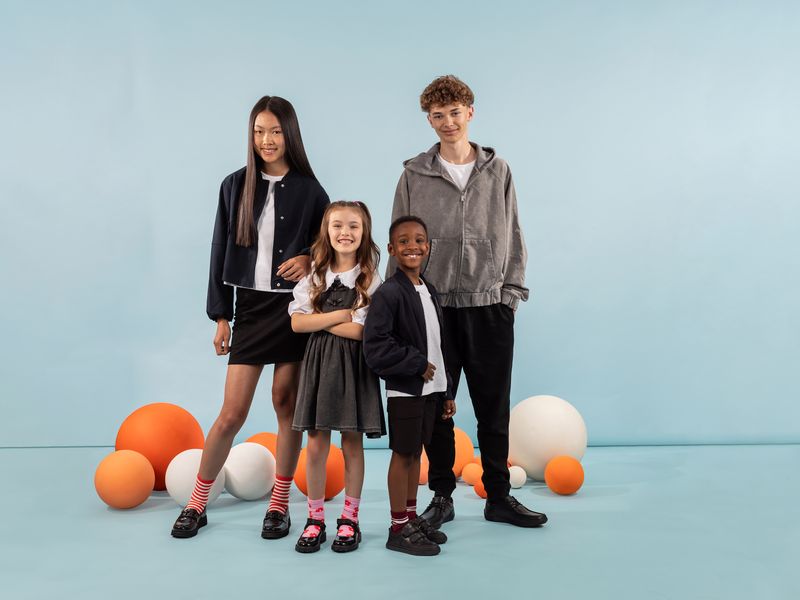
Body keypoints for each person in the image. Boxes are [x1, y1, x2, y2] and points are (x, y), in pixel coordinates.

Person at [388, 75, 548, 528]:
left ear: (470, 112)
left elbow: (513, 231)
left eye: (455, 113)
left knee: (493, 409)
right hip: (433, 310)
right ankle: (442, 497)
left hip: (489, 306)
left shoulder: (498, 171)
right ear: (429, 120)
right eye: (438, 115)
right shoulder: (414, 174)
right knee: (438, 407)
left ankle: (498, 496)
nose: (448, 122)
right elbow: (399, 237)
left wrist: (510, 294)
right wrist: (397, 302)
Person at [171, 96, 329, 539]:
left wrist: (308, 258)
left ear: (290, 134)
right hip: (251, 310)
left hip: (295, 309)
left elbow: (332, 246)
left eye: (275, 131)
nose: (266, 140)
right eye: (259, 131)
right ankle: (197, 503)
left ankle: (279, 505)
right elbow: (219, 249)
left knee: (286, 404)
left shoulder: (311, 191)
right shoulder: (234, 185)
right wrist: (221, 315)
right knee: (232, 413)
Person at [288, 201, 385, 553]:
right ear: (326, 232)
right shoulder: (316, 275)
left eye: (354, 226)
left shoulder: (370, 279)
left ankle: (350, 519)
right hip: (319, 366)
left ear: (364, 232)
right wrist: (342, 315)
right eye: (338, 225)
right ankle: (315, 519)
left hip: (355, 367)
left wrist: (319, 320)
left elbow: (362, 332)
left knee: (351, 443)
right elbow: (297, 323)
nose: (345, 232)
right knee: (316, 444)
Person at [364, 216, 456, 556]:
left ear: (427, 247)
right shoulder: (389, 293)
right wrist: (415, 364)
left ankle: (411, 518)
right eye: (403, 241)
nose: (412, 246)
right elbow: (375, 347)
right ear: (391, 249)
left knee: (417, 454)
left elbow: (438, 345)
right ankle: (397, 528)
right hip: (406, 390)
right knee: (403, 454)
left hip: (432, 391)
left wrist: (446, 390)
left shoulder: (429, 290)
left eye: (419, 240)